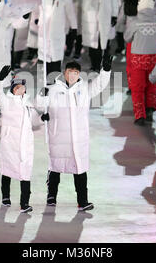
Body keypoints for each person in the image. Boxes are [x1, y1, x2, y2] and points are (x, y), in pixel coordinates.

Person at [38, 58, 112, 211]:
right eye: (70, 72)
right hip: (58, 136)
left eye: (76, 73)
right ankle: (51, 196)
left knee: (79, 168)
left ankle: (82, 201)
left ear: (79, 75)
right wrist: (42, 97)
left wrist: (105, 71)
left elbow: (99, 85)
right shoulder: (52, 89)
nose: (73, 76)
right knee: (55, 166)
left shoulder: (83, 88)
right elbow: (38, 105)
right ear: (65, 72)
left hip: (78, 137)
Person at [0, 65, 49, 214]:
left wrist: (42, 118)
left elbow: (34, 121)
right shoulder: (7, 102)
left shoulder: (28, 104)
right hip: (10, 143)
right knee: (7, 169)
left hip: (25, 144)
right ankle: (5, 197)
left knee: (25, 172)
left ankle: (24, 203)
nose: (20, 89)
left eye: (22, 87)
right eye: (17, 87)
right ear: (12, 89)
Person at [69, 0, 119, 72]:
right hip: (90, 17)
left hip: (106, 16)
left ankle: (106, 65)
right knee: (93, 44)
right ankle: (95, 65)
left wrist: (114, 15)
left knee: (105, 43)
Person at [124, 0, 156, 125]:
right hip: (154, 58)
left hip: (138, 58)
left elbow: (127, 38)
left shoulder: (134, 22)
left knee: (137, 87)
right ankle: (150, 107)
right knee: (151, 84)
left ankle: (139, 115)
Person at [37, 0, 77, 83]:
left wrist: (74, 28)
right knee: (43, 62)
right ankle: (44, 87)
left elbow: (71, 13)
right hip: (44, 32)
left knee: (55, 62)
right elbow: (36, 9)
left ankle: (55, 86)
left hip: (57, 33)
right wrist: (37, 20)